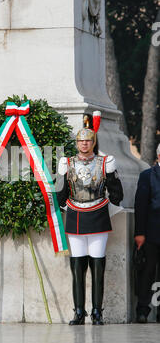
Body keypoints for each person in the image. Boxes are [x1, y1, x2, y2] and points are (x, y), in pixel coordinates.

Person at [57, 112, 123, 325]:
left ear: (93, 143)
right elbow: (60, 194)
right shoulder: (67, 163)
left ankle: (97, 312)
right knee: (77, 268)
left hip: (98, 214)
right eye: (80, 141)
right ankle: (78, 311)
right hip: (76, 216)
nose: (84, 144)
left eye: (88, 141)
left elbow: (116, 193)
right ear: (76, 143)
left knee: (97, 267)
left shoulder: (105, 163)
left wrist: (105, 211)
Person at [134, 143, 160, 323]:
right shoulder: (147, 175)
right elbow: (140, 206)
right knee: (147, 272)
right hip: (151, 233)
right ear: (158, 156)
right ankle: (142, 310)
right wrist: (139, 233)